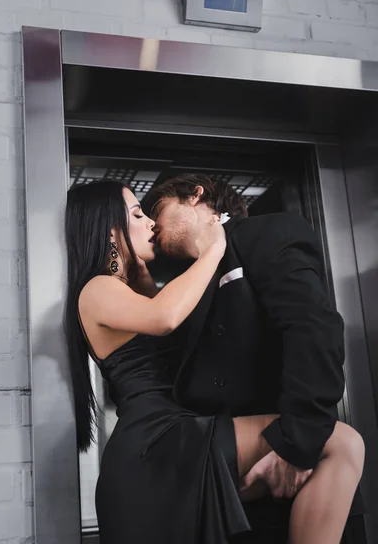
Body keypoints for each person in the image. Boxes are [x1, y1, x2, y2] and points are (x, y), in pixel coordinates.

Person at [64, 178, 364, 544]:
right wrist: (214, 246)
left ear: (195, 197)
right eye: (139, 213)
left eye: (151, 212)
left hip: (178, 440)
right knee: (342, 444)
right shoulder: (97, 288)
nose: (150, 224)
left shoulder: (134, 293)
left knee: (333, 446)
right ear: (110, 228)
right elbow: (165, 316)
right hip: (157, 445)